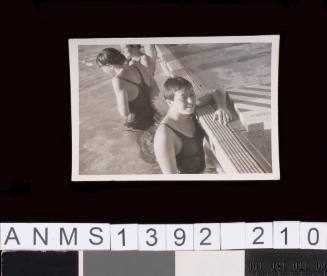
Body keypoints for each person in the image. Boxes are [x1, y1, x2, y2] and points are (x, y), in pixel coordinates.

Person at [154, 77, 232, 174]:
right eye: (183, 97)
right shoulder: (165, 135)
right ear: (170, 102)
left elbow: (217, 91)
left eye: (192, 94)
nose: (191, 101)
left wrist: (222, 107)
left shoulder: (189, 111)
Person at [96, 47, 159, 131]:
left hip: (138, 124)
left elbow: (124, 112)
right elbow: (156, 91)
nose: (102, 70)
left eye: (102, 67)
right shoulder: (138, 66)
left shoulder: (118, 80)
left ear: (110, 66)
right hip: (153, 114)